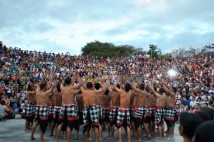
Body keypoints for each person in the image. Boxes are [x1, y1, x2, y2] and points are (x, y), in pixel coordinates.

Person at [55, 76, 81, 142]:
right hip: (70, 106)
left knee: (60, 123)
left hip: (63, 106)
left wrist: (65, 79)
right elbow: (80, 83)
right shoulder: (72, 87)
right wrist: (77, 78)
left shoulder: (62, 88)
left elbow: (61, 83)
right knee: (69, 125)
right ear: (70, 82)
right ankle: (67, 140)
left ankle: (56, 140)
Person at [31, 74, 56, 142]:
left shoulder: (37, 91)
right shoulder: (45, 93)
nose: (46, 87)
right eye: (46, 86)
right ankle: (41, 138)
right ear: (44, 87)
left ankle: (32, 136)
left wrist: (44, 78)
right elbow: (53, 87)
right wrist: (52, 80)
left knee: (36, 122)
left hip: (38, 108)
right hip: (44, 108)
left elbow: (39, 85)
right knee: (43, 124)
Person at [81, 78, 106, 142]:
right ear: (92, 86)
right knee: (96, 125)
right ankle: (97, 140)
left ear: (86, 86)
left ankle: (85, 140)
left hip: (86, 108)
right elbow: (104, 89)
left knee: (86, 126)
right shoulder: (94, 91)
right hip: (93, 108)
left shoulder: (84, 91)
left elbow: (81, 85)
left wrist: (85, 81)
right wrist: (101, 82)